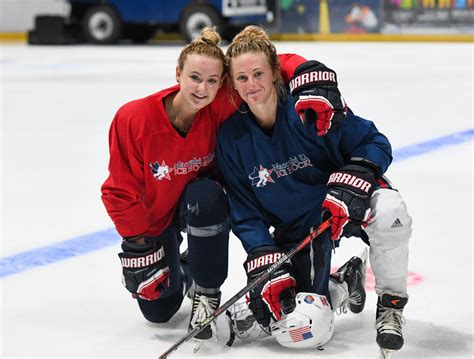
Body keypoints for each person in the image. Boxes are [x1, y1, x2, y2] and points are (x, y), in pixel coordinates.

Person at [100, 27, 312, 347]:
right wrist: (139, 245)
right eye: (195, 78)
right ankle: (184, 264)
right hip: (155, 217)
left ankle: (206, 292)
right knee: (160, 311)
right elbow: (119, 190)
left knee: (206, 195)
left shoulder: (219, 104)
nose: (203, 88)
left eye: (213, 81)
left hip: (196, 206)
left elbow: (267, 66)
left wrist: (311, 73)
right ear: (178, 74)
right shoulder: (134, 118)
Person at [216, 25, 412, 355]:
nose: (252, 85)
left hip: (344, 203)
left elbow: (375, 142)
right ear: (232, 84)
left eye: (259, 73)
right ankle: (344, 282)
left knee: (390, 212)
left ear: (275, 71)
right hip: (300, 230)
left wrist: (353, 180)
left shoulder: (307, 108)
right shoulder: (231, 138)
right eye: (242, 78)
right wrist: (264, 256)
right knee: (301, 326)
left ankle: (391, 306)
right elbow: (244, 212)